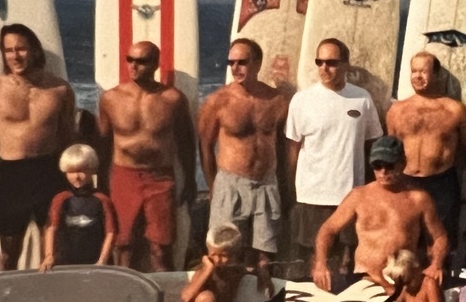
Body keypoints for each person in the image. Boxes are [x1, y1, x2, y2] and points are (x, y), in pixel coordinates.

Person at [312, 136, 449, 302]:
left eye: (389, 165)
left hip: (403, 282)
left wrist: (437, 264)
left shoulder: (418, 198)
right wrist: (321, 264)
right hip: (367, 280)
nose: (383, 171)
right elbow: (328, 229)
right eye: (377, 165)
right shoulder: (359, 196)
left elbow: (439, 237)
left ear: (403, 163)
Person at [0, 24, 76, 271]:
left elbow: (69, 139)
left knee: (51, 251)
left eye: (21, 49)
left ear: (34, 51)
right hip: (10, 175)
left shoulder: (59, 90)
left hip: (48, 171)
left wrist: (74, 179)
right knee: (8, 253)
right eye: (9, 50)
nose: (15, 56)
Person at [286, 38, 383, 281]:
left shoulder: (362, 99)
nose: (324, 68)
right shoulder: (301, 100)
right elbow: (293, 150)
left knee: (346, 265)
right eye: (319, 61)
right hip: (311, 196)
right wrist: (290, 191)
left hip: (350, 197)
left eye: (331, 62)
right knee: (312, 263)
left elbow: (373, 145)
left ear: (346, 65)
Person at [197, 38, 290, 288]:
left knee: (263, 256)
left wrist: (285, 186)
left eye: (242, 62)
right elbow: (204, 145)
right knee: (225, 252)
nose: (236, 68)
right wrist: (213, 185)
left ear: (257, 63)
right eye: (231, 63)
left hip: (266, 183)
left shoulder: (277, 100)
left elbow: (283, 146)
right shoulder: (218, 101)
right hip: (230, 182)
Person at [98, 40, 196, 273]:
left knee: (161, 248)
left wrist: (190, 179)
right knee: (124, 245)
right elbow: (102, 144)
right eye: (129, 59)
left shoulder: (173, 99)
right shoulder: (110, 98)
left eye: (141, 61)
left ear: (155, 64)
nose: (133, 66)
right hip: (124, 176)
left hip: (160, 179)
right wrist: (101, 182)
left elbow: (186, 142)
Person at [386, 51, 466, 252]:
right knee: (405, 240)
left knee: (441, 243)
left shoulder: (455, 110)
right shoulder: (397, 110)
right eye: (414, 71)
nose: (418, 76)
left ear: (437, 73)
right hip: (406, 183)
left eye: (423, 71)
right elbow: (390, 154)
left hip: (442, 184)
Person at [41, 144, 116, 271]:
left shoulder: (102, 199)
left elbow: (111, 232)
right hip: (64, 262)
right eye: (71, 171)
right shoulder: (61, 199)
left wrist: (102, 260)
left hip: (95, 262)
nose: (76, 176)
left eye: (81, 171)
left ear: (92, 170)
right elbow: (51, 228)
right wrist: (49, 256)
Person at [172, 223, 249, 302]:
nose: (218, 260)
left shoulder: (235, 270)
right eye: (214, 255)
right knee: (206, 297)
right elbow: (187, 297)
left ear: (234, 255)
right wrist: (207, 270)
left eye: (223, 256)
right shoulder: (203, 270)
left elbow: (248, 270)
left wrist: (262, 274)